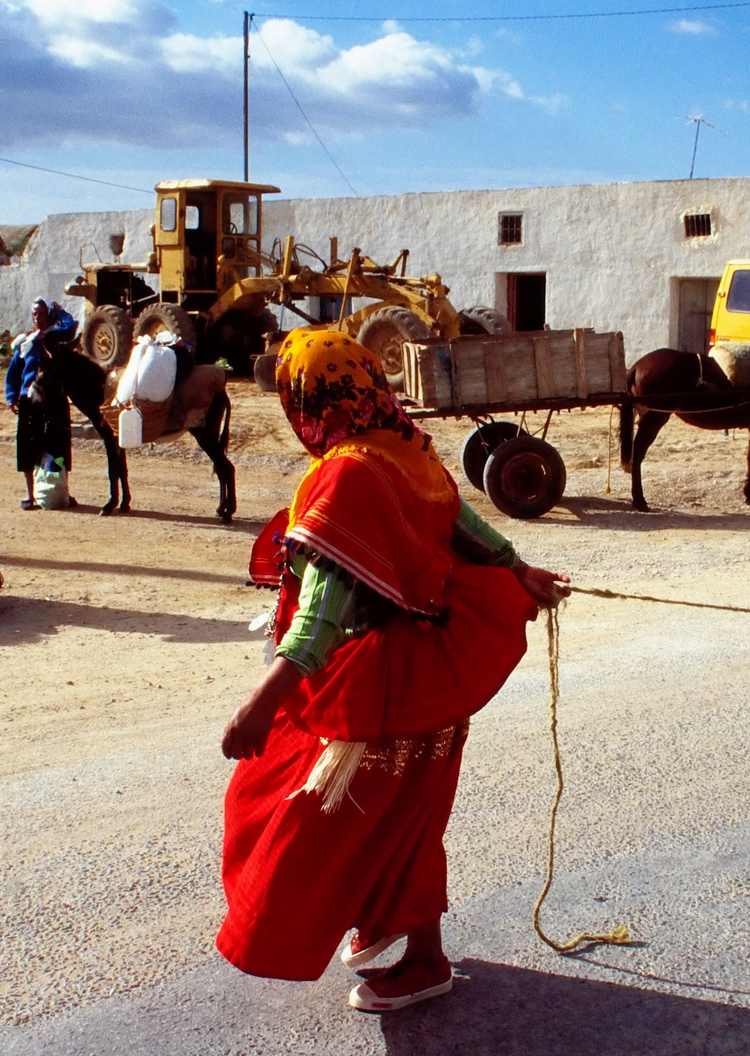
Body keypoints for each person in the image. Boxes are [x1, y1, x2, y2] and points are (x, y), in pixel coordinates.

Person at [217, 328, 569, 1012]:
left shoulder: (349, 472)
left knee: (293, 814)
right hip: (431, 676)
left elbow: (323, 608)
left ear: (315, 401)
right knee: (404, 818)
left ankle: (425, 960)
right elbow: (468, 526)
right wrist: (518, 568)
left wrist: (262, 701)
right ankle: (397, 933)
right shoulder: (407, 450)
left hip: (384, 689)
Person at [6, 299, 78, 509]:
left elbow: (70, 326)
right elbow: (14, 372)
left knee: (58, 446)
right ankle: (31, 495)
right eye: (35, 314)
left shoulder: (57, 338)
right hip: (30, 400)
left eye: (43, 313)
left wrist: (60, 310)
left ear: (50, 315)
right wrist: (12, 397)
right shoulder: (27, 343)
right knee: (28, 446)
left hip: (55, 399)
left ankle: (60, 492)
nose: (38, 318)